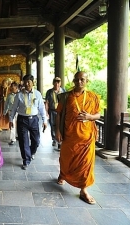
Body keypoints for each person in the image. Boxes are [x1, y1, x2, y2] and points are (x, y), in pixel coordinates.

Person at [55, 71, 100, 205]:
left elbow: (98, 115)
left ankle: (83, 190)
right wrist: (57, 130)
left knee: (86, 165)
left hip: (86, 139)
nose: (79, 82)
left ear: (87, 81)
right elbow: (58, 114)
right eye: (77, 80)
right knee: (66, 159)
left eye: (82, 79)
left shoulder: (93, 97)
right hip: (70, 137)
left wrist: (90, 117)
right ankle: (63, 174)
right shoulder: (66, 97)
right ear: (73, 81)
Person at [9, 74, 47, 170]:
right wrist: (10, 120)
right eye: (25, 82)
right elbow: (14, 108)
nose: (27, 84)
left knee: (36, 141)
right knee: (23, 141)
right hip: (22, 120)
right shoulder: (19, 95)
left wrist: (44, 120)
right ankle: (26, 160)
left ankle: (31, 152)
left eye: (29, 82)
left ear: (32, 83)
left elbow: (42, 108)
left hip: (34, 119)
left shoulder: (37, 94)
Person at [45, 77, 65, 148]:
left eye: (58, 82)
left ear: (60, 83)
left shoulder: (63, 91)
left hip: (61, 111)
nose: (57, 84)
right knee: (53, 125)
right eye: (55, 82)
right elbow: (47, 102)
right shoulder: (49, 92)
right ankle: (54, 139)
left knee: (60, 125)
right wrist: (46, 112)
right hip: (52, 111)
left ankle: (60, 139)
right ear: (53, 83)